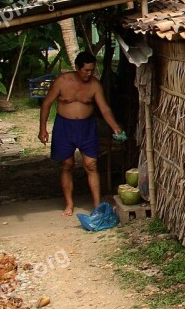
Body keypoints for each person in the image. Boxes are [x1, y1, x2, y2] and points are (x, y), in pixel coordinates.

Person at [39, 51, 124, 216]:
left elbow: (104, 108)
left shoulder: (95, 85)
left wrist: (115, 127)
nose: (89, 74)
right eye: (85, 70)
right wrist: (42, 128)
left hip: (87, 127)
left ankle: (97, 205)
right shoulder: (62, 81)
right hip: (64, 126)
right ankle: (69, 204)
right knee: (67, 164)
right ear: (77, 68)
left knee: (91, 164)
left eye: (91, 70)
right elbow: (47, 103)